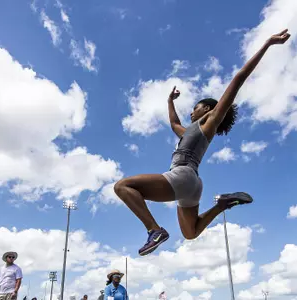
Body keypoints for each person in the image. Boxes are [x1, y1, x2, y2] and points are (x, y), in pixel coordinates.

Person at [114, 29, 291, 256]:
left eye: (195, 107)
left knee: (123, 186)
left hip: (183, 176)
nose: (191, 112)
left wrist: (267, 44)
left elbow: (238, 79)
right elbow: (173, 123)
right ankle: (222, 205)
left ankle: (154, 229)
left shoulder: (210, 122)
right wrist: (169, 101)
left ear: (206, 109)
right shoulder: (190, 132)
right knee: (190, 232)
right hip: (193, 185)